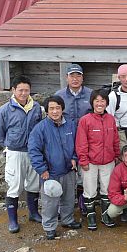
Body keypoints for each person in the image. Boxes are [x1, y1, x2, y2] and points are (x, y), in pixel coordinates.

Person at [28, 96, 82, 239]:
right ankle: (50, 226)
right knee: (50, 202)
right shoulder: (40, 128)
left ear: (62, 109)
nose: (55, 111)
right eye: (51, 108)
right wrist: (42, 169)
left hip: (68, 170)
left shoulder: (71, 125)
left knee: (69, 198)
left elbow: (78, 144)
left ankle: (67, 220)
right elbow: (33, 150)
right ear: (47, 111)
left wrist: (74, 158)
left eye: (58, 108)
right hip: (50, 173)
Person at [0, 75, 43, 233]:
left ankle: (34, 213)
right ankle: (13, 220)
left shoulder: (37, 108)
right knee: (14, 186)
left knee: (34, 184)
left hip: (33, 152)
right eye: (20, 90)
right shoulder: (4, 110)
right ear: (13, 90)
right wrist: (10, 146)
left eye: (26, 90)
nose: (23, 93)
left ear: (30, 91)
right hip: (15, 153)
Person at [76, 89, 120, 230]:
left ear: (106, 103)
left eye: (102, 101)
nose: (100, 104)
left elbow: (115, 139)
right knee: (90, 190)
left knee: (107, 189)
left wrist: (116, 155)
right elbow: (81, 142)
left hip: (108, 161)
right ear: (92, 102)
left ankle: (106, 215)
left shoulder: (110, 119)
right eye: (97, 101)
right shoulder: (85, 120)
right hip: (90, 162)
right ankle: (91, 216)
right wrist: (83, 160)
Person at [54, 63, 92, 216]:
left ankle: (83, 202)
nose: (75, 79)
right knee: (64, 172)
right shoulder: (59, 95)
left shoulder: (91, 94)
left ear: (82, 78)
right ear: (67, 78)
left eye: (78, 75)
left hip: (86, 141)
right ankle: (62, 206)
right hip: (65, 141)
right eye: (72, 76)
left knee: (84, 173)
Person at [106, 64, 127, 149]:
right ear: (119, 78)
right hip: (121, 136)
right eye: (123, 76)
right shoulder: (113, 96)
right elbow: (107, 119)